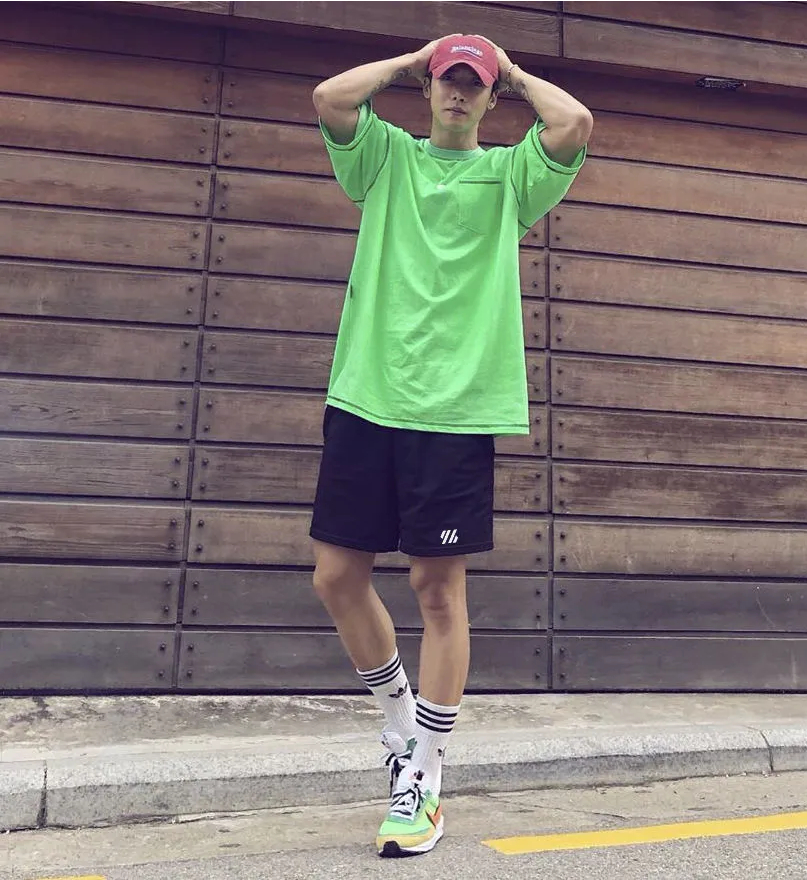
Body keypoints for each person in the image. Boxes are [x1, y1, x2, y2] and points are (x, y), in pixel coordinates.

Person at [309, 33, 592, 857]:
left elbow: (574, 124)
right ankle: (401, 723)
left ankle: (425, 781)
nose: (459, 93)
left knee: (437, 590)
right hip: (367, 393)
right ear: (429, 90)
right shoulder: (386, 159)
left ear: (491, 97)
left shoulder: (511, 177)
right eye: (448, 80)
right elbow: (330, 98)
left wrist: (514, 71)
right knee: (336, 577)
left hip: (458, 409)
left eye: (474, 84)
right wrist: (411, 59)